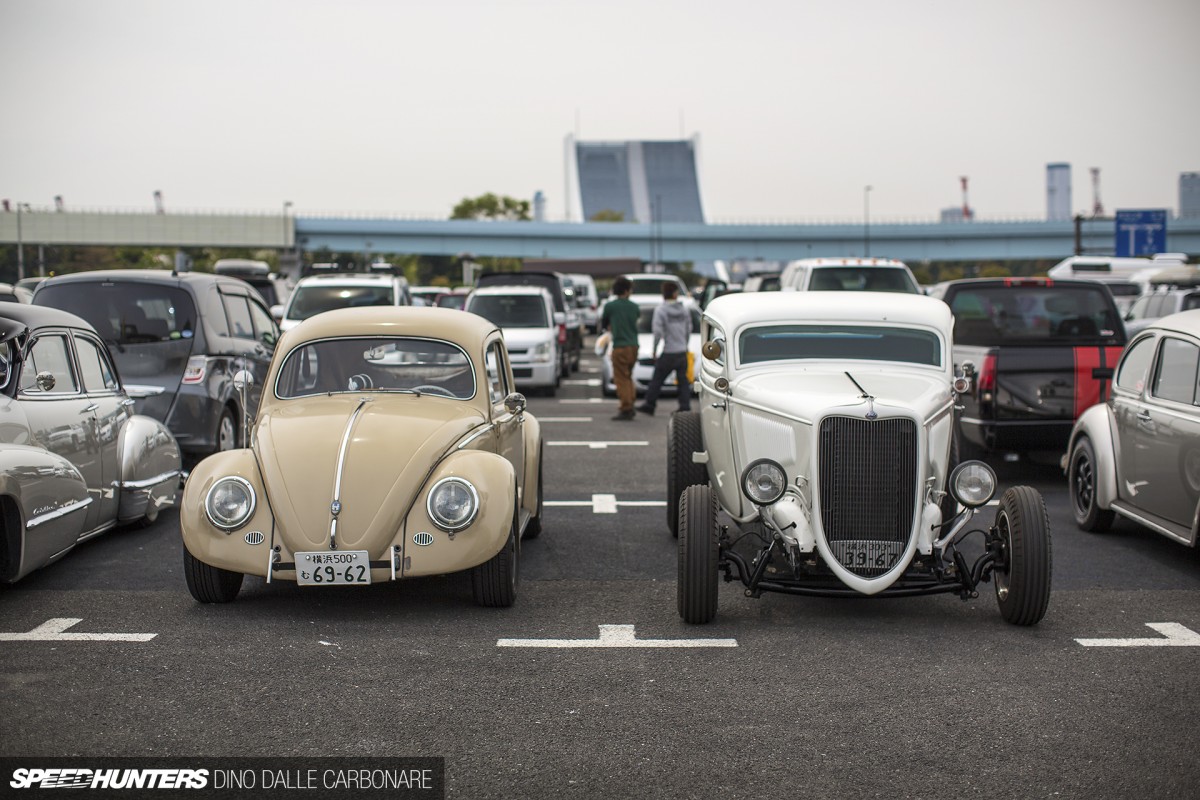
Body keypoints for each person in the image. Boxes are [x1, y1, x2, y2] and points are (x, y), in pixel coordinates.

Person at [637, 282, 692, 416]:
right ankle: (684, 406)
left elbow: (657, 332)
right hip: (681, 351)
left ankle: (650, 404)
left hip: (668, 351)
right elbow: (688, 329)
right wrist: (685, 344)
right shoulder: (684, 310)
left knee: (657, 379)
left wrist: (655, 349)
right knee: (683, 381)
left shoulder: (661, 310)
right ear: (675, 293)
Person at [600, 276, 640, 421]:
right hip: (634, 345)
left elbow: (604, 323)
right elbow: (636, 319)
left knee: (621, 378)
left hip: (620, 345)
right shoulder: (634, 307)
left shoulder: (610, 306)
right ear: (626, 290)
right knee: (628, 375)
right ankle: (631, 402)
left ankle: (626, 407)